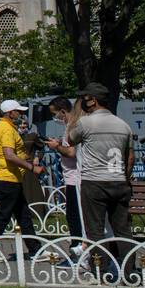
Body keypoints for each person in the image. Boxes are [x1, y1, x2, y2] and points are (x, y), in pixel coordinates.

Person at [66, 83, 135, 270]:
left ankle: (100, 271)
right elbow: (130, 158)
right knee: (123, 230)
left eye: (85, 99)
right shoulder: (123, 125)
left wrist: (76, 113)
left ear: (93, 101)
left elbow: (70, 140)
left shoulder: (86, 123)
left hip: (94, 182)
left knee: (95, 231)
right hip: (119, 181)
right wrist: (124, 177)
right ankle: (130, 271)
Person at [0, 100, 45, 257]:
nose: (20, 114)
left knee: (23, 215)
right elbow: (9, 155)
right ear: (10, 113)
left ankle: (35, 249)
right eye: (18, 111)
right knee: (2, 216)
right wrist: (31, 167)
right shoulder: (8, 130)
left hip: (4, 177)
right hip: (9, 178)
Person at [44, 97, 81, 254]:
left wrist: (57, 146)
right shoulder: (69, 126)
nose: (55, 118)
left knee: (75, 217)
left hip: (75, 177)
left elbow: (72, 152)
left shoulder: (74, 126)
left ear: (63, 111)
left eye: (55, 114)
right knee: (72, 215)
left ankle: (77, 248)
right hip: (70, 176)